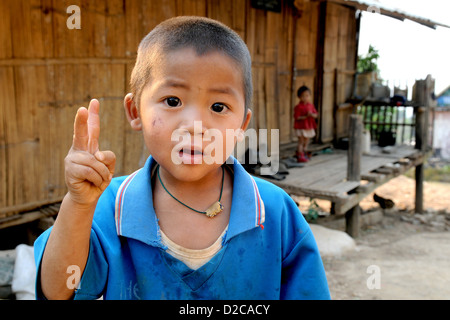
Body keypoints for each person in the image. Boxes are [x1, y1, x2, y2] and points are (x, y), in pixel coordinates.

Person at [34, 16, 330, 300]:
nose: (195, 125)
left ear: (241, 125)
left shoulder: (274, 212)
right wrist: (78, 205)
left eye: (218, 106)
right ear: (136, 111)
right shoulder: (110, 208)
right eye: (172, 101)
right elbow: (58, 291)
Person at [293, 86, 318, 163]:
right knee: (301, 141)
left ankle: (303, 152)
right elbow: (297, 117)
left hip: (309, 126)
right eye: (303, 96)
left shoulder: (311, 105)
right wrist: (306, 116)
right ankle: (300, 155)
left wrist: (312, 115)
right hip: (301, 127)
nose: (305, 98)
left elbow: (316, 114)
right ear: (299, 97)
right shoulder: (298, 107)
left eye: (307, 96)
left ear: (310, 96)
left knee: (306, 141)